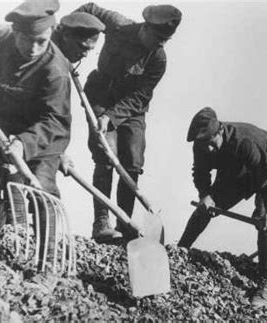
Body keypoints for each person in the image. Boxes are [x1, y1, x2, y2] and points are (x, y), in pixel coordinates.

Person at [72, 2, 182, 243]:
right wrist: (68, 37)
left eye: (166, 40)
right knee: (106, 155)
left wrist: (110, 117)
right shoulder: (118, 25)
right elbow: (88, 8)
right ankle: (101, 222)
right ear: (145, 28)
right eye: (158, 37)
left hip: (132, 109)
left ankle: (124, 224)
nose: (161, 44)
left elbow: (140, 96)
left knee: (132, 163)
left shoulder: (158, 59)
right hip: (101, 94)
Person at [178, 107, 267, 309]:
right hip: (233, 168)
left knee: (264, 221)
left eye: (212, 144)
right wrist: (205, 195)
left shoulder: (244, 141)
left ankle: (265, 285)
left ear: (220, 131)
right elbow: (200, 172)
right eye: (204, 146)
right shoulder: (201, 144)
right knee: (206, 209)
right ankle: (180, 249)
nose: (208, 150)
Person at [0, 0, 71, 233]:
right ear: (14, 32)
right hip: (1, 122)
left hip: (43, 134)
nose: (33, 49)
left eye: (41, 42)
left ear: (51, 32)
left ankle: (47, 255)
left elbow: (54, 119)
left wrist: (24, 143)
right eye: (25, 40)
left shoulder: (55, 70)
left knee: (42, 186)